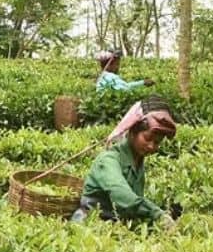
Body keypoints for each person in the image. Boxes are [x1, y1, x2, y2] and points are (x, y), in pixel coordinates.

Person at [71, 95, 178, 227]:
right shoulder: (108, 160)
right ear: (133, 131)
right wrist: (157, 214)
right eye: (147, 138)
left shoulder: (138, 162)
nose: (151, 146)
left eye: (157, 142)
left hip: (115, 225)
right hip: (89, 225)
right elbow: (125, 199)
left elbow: (135, 205)